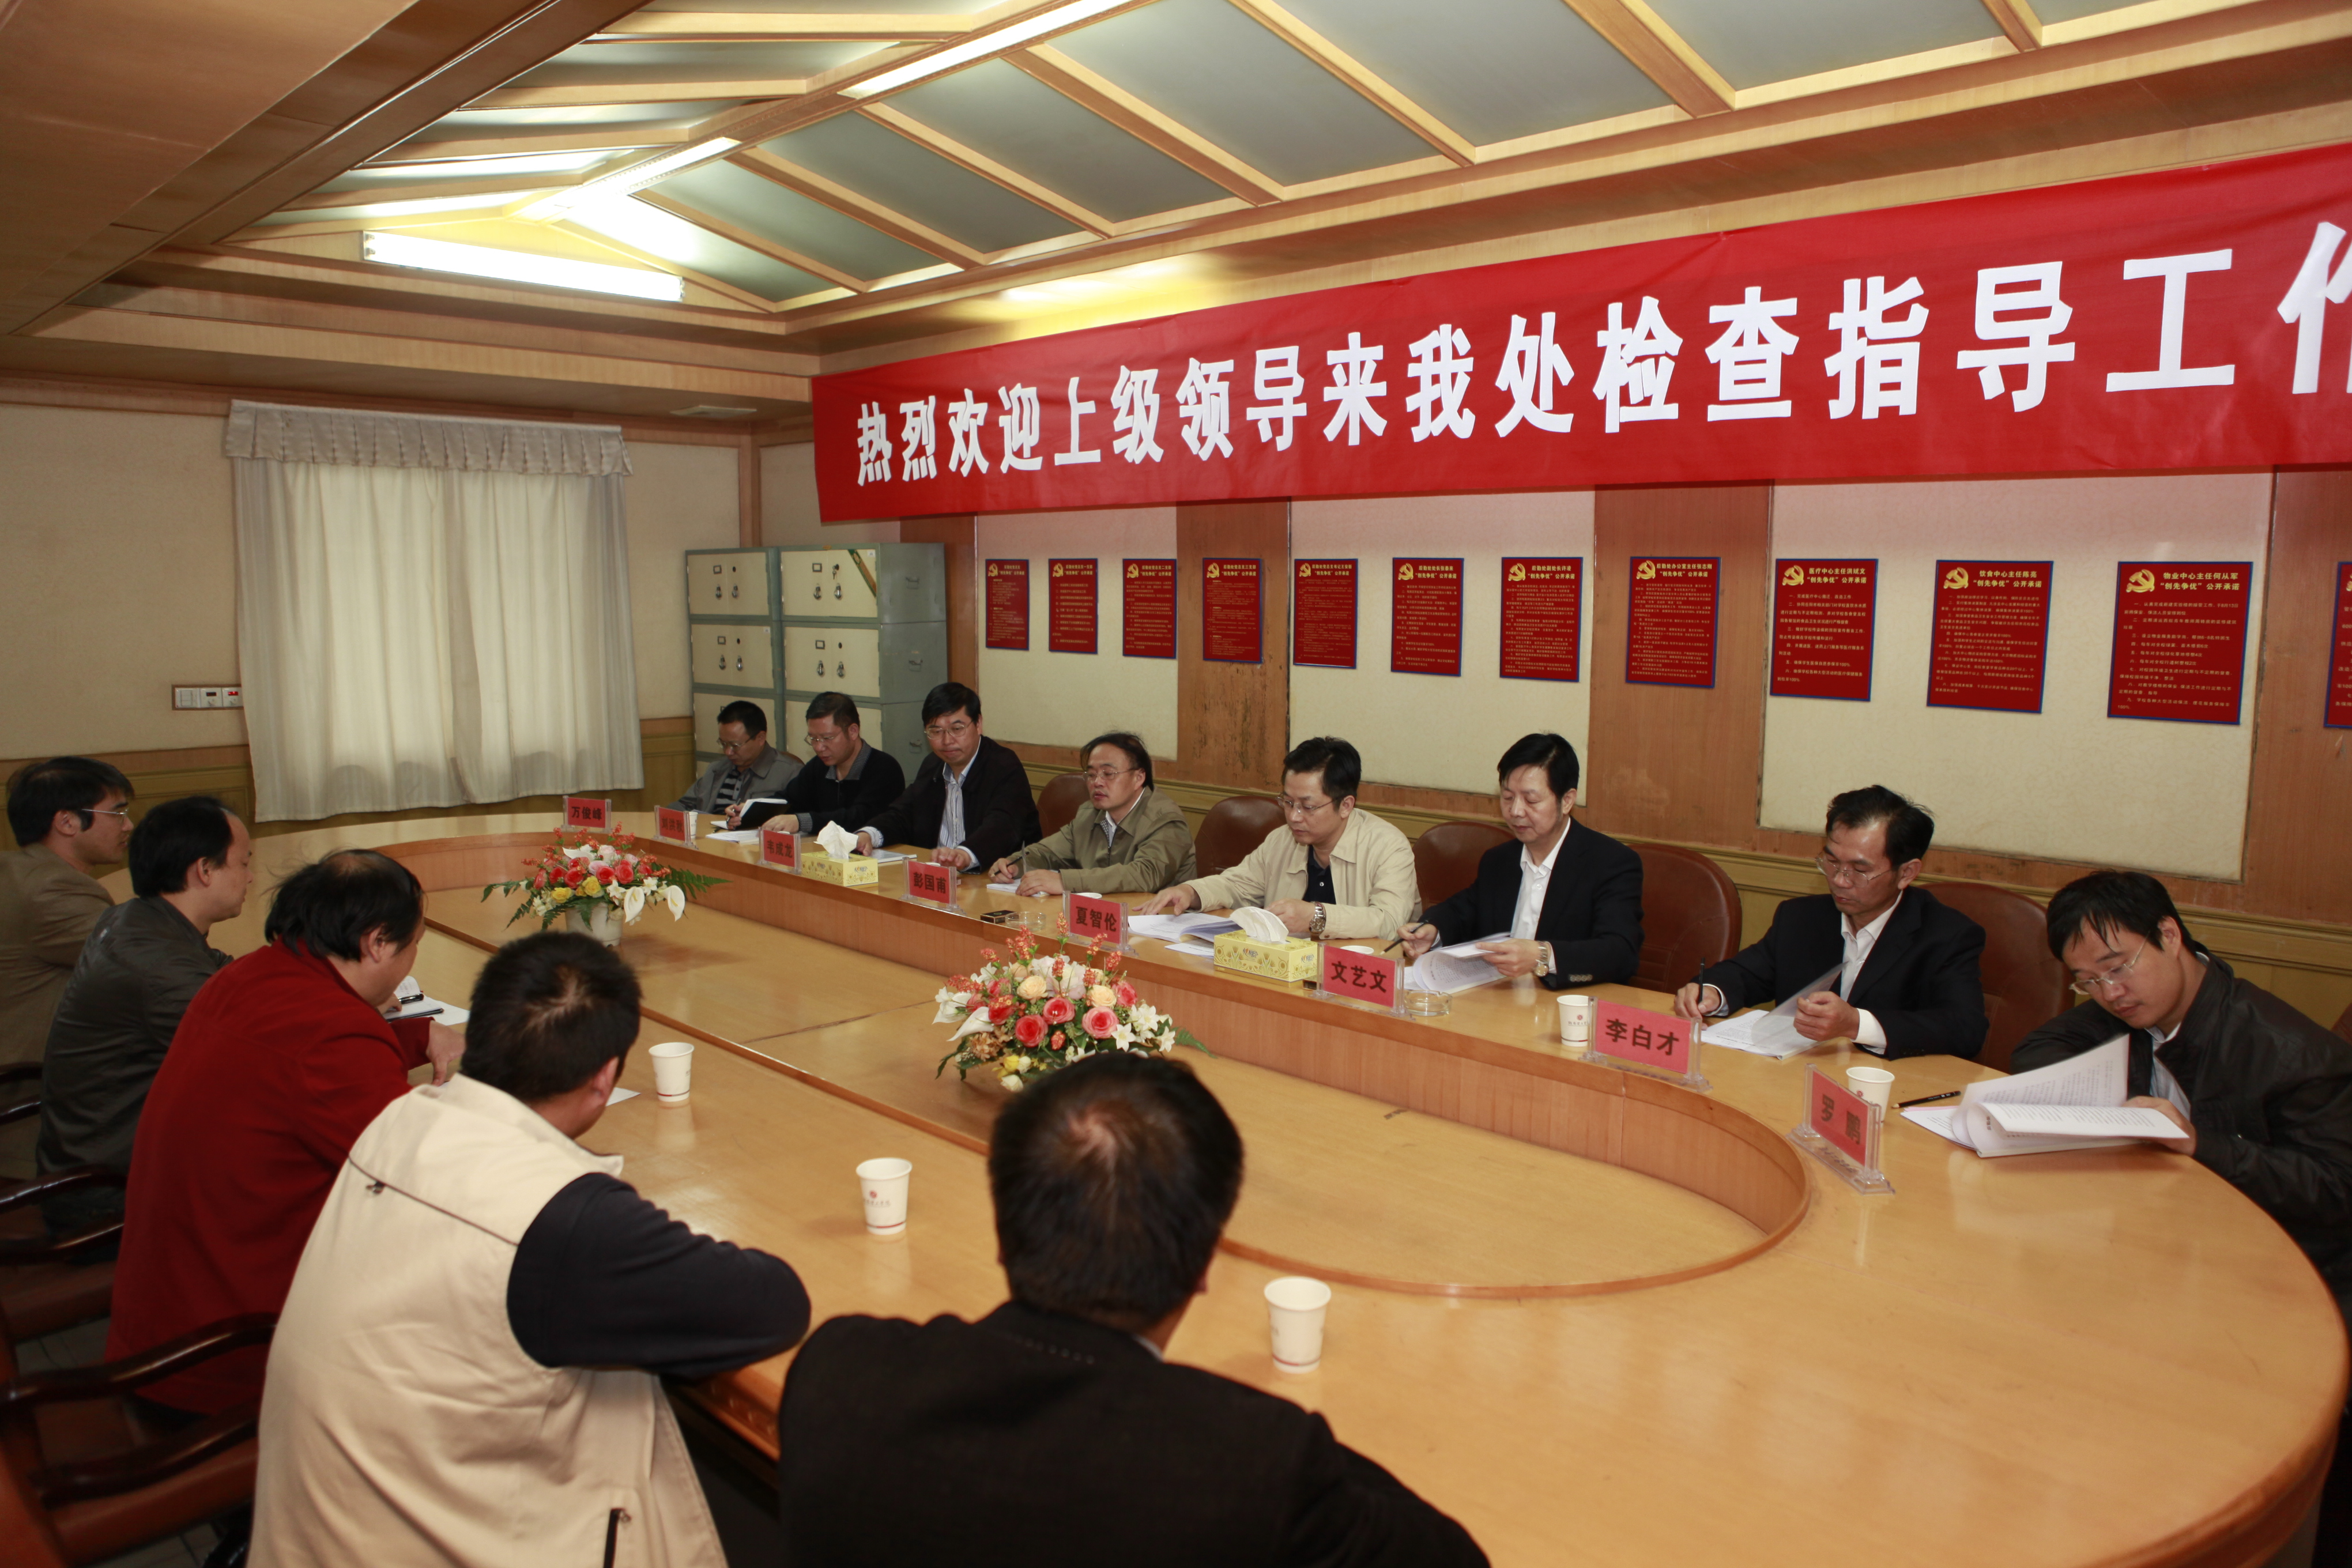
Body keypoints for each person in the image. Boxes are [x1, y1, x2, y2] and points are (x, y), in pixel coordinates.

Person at [775, 1052, 1487, 1567]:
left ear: (1003, 1227)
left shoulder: (840, 1370)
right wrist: (1277, 1439)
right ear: (1204, 1265)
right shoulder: (1253, 1464)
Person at [254, 932, 811, 1567]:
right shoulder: (560, 1220)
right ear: (604, 1078)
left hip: (316, 1532)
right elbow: (772, 1303)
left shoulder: (399, 1118)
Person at [2011, 871, 2352, 1566]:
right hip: (2176, 1251)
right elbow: (2037, 1051)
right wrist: (2117, 1103)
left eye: (2118, 966)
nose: (2111, 992)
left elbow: (2335, 1190)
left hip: (2293, 1277)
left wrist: (2202, 1144)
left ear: (2170, 935)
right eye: (2088, 981)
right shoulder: (2133, 1011)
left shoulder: (2293, 1052)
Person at [105, 849, 463, 1416]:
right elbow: (430, 1184)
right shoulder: (332, 1032)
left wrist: (416, 1037)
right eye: (414, 941)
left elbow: (291, 1067)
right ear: (377, 942)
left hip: (158, 1325)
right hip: (232, 1360)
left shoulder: (248, 976)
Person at [36, 796, 252, 1237]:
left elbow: (228, 975)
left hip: (97, 1158)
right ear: (204, 870)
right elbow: (263, 1057)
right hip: (111, 1196)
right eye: (244, 863)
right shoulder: (160, 970)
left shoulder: (138, 919)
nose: (250, 876)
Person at [1672, 785, 1987, 1058]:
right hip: (1796, 1075)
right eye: (1832, 862)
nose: (1839, 880)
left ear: (1907, 873)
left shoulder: (1948, 935)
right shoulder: (1801, 917)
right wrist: (1711, 991)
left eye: (1860, 870)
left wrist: (1856, 1024)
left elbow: (1965, 1029)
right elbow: (1747, 973)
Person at [1399, 733, 1642, 988]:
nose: (1515, 811)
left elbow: (1621, 952)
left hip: (1567, 1002)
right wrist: (1433, 931)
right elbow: (1464, 910)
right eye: (1507, 797)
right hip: (1501, 998)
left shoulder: (1611, 863)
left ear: (1567, 801)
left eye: (1531, 800)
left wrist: (1542, 955)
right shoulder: (1500, 859)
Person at [1137, 737, 1419, 943]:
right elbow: (1237, 885)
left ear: (1345, 805)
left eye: (1308, 806)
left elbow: (1389, 922)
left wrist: (1317, 917)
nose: (1294, 816)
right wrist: (1191, 892)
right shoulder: (1283, 839)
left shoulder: (1388, 846)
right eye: (1288, 802)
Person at [0, 756, 132, 1177]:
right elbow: (145, 963)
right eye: (118, 813)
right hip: (34, 1103)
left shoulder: (17, 870)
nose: (128, 826)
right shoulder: (54, 891)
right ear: (67, 822)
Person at [854, 682, 1039, 870]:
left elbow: (1002, 827)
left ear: (978, 724)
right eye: (936, 731)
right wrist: (868, 835)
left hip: (996, 877)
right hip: (940, 875)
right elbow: (904, 815)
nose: (947, 741)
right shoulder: (932, 765)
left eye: (957, 729)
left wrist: (964, 855)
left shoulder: (1003, 766)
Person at [989, 731, 1196, 896]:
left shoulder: (1166, 820)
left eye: (1108, 774)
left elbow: (1145, 875)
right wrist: (1014, 865)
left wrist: (1065, 882)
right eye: (1091, 774)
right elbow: (1047, 852)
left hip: (1158, 922)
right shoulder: (1090, 814)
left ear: (1139, 778)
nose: (1097, 782)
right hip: (1104, 916)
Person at [732, 691, 906, 835]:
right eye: (813, 739)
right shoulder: (820, 766)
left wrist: (801, 822)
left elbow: (859, 818)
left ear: (853, 731)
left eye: (827, 738)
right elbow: (789, 800)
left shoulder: (884, 768)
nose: (819, 747)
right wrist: (750, 810)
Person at [673, 699, 797, 817]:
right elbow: (683, 806)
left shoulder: (789, 773)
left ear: (761, 738)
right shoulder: (717, 768)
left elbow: (796, 818)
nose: (728, 752)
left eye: (735, 745)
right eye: (723, 744)